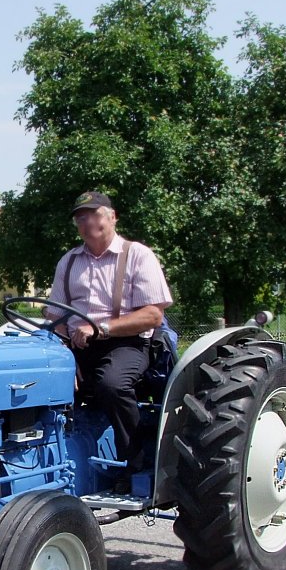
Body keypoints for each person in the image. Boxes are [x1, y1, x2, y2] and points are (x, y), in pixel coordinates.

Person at [45, 191, 173, 484]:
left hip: (127, 343)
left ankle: (135, 465)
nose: (87, 222)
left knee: (111, 384)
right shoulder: (69, 261)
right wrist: (64, 356)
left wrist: (101, 328)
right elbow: (56, 317)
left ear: (112, 217)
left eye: (94, 214)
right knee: (43, 381)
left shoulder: (137, 255)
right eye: (80, 218)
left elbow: (153, 315)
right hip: (76, 347)